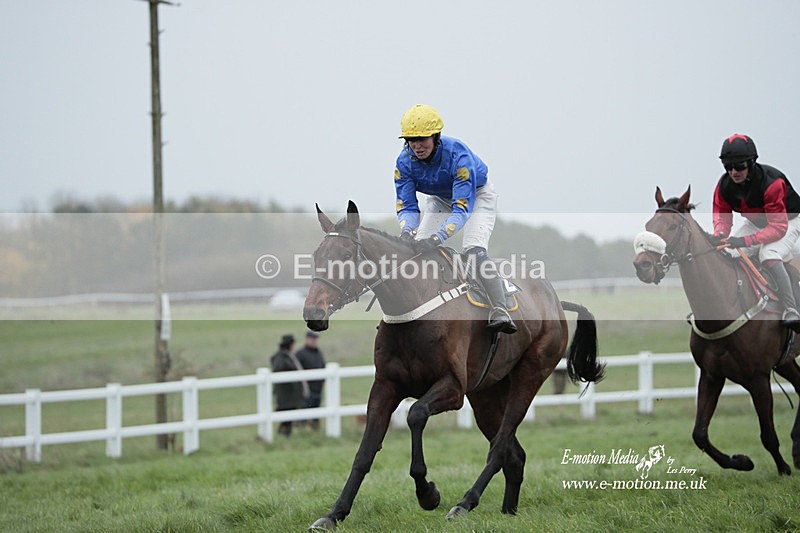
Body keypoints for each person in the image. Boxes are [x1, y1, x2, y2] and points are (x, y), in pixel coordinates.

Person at [393, 104, 516, 333]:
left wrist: (438, 238)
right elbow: (407, 206)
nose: (417, 146)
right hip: (440, 200)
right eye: (411, 139)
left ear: (436, 137)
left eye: (422, 138)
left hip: (476, 197)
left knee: (473, 251)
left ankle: (500, 308)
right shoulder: (404, 163)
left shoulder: (458, 155)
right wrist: (406, 232)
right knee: (416, 251)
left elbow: (461, 208)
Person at [711, 133, 800, 331]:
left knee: (768, 253)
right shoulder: (724, 185)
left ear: (751, 163)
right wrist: (719, 234)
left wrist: (745, 241)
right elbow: (722, 217)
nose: (733, 171)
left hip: (789, 220)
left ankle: (791, 308)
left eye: (740, 166)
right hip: (758, 222)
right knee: (728, 253)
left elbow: (778, 228)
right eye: (728, 166)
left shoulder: (771, 183)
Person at [270, 334, 309, 437]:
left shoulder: (288, 356)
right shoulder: (281, 357)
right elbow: (279, 369)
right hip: (286, 395)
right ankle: (284, 435)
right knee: (286, 418)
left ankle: (285, 435)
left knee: (289, 418)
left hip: (290, 395)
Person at [295, 330, 326, 430]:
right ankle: (302, 429)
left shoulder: (318, 352)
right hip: (306, 389)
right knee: (304, 410)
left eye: (315, 339)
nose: (314, 341)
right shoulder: (300, 354)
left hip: (318, 388)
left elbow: (322, 366)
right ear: (307, 339)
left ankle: (315, 429)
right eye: (312, 339)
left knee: (316, 411)